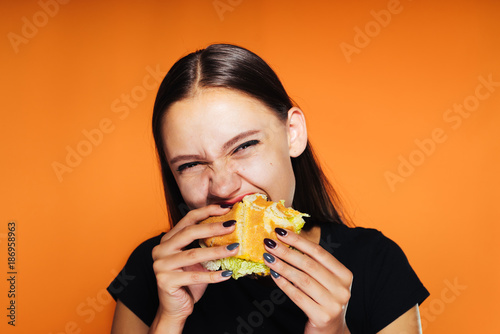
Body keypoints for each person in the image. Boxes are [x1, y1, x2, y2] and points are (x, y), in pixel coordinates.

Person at [107, 43, 429, 334]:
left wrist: (334, 331)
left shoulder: (378, 264)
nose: (222, 185)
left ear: (293, 133)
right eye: (190, 165)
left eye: (244, 146)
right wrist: (168, 321)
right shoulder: (150, 271)